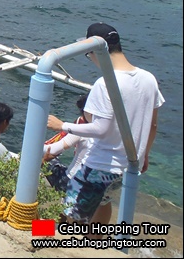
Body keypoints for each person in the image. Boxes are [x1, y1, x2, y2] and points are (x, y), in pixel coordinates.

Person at [47, 22, 164, 225]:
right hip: (127, 167)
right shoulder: (149, 79)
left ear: (96, 50)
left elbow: (100, 129)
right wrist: (145, 154)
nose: (90, 59)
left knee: (64, 218)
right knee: (103, 203)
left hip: (98, 168)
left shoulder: (105, 83)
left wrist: (62, 125)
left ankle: (36, 236)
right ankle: (96, 242)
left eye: (88, 54)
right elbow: (152, 125)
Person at [43, 93, 91, 193]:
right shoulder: (113, 132)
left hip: (73, 183)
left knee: (51, 161)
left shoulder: (82, 130)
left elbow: (51, 150)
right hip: (100, 184)